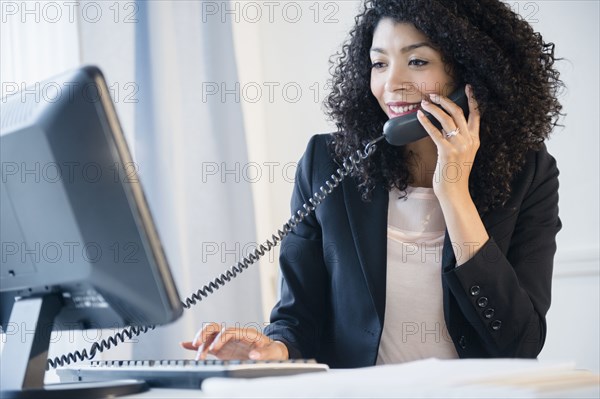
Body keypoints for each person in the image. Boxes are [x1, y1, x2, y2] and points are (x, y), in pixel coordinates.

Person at [181, 0, 563, 368]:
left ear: (468, 77)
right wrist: (273, 349)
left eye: (417, 61)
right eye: (379, 63)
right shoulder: (327, 163)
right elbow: (298, 319)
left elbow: (520, 342)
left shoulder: (528, 174)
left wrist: (454, 192)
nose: (391, 82)